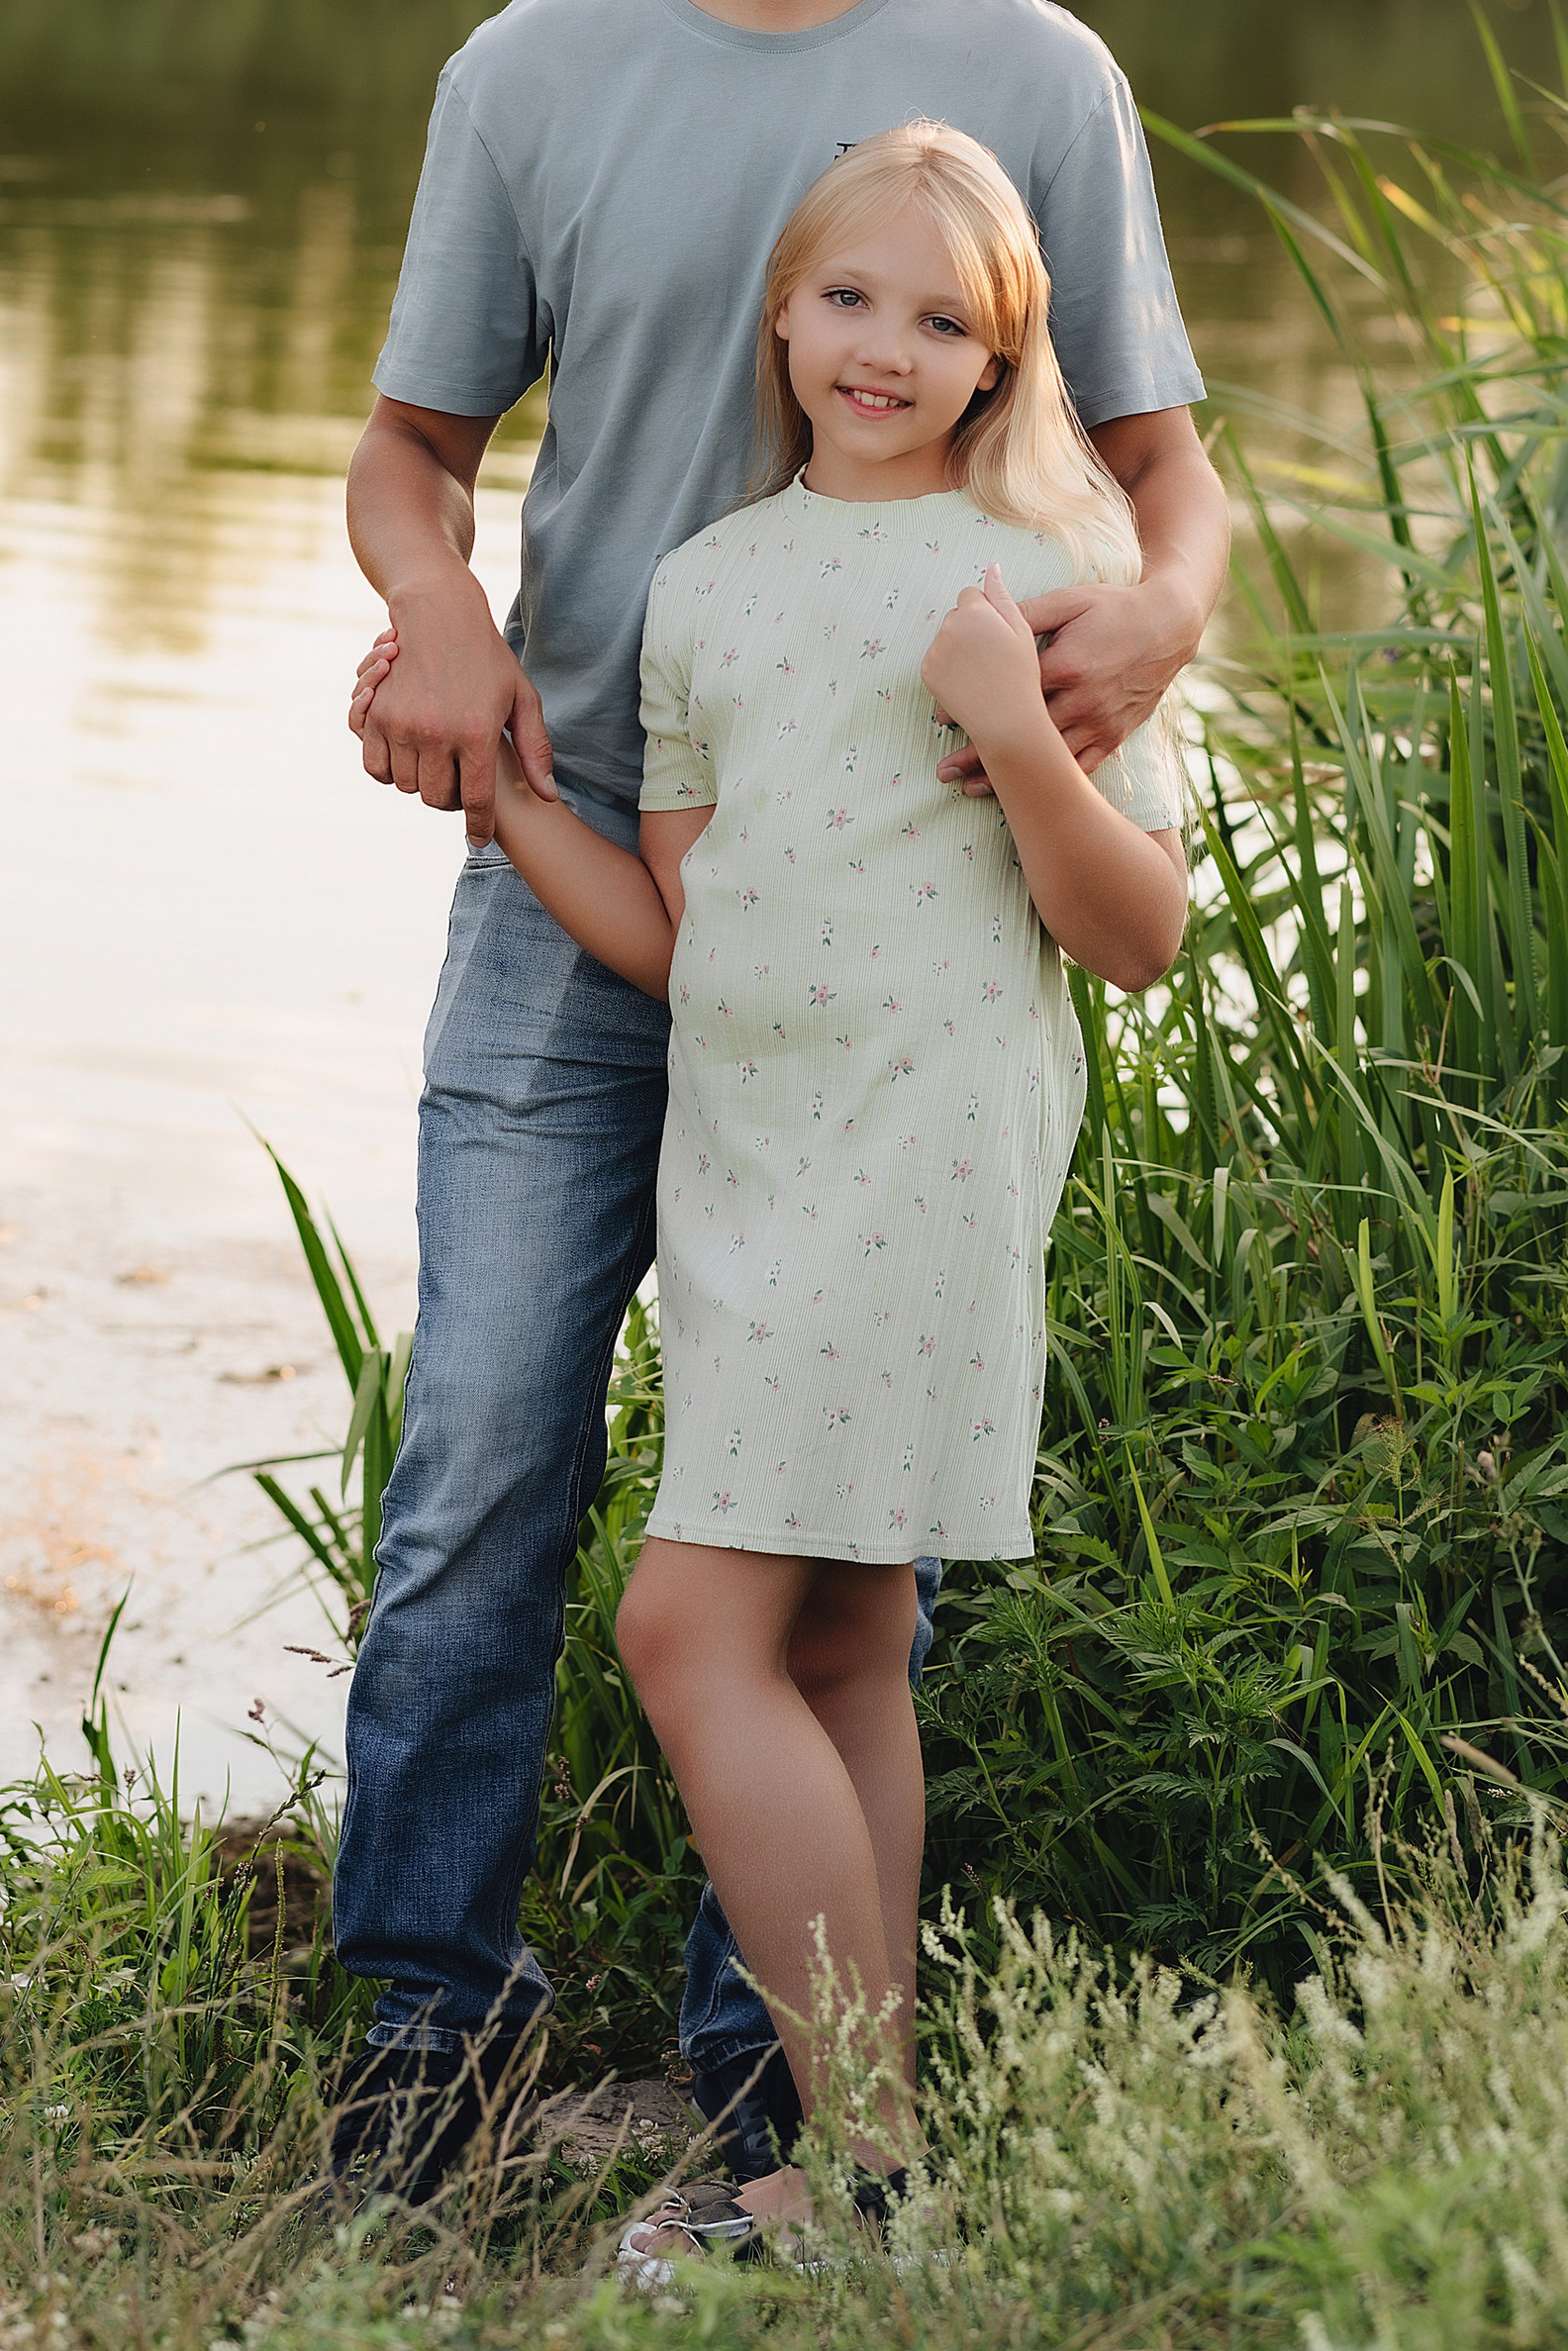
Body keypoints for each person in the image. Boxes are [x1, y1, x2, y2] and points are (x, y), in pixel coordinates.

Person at [334, 0, 1227, 2202]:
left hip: (907, 942)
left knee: (845, 1571)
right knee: (486, 1459)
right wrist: (443, 621)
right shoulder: (532, 68)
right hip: (593, 882)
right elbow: (410, 447)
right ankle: (418, 2052)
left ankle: (779, 2103)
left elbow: (1167, 467)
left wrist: (1149, 627)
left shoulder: (1030, 71)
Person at [372, 122, 1189, 2261]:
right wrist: (499, 795)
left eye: (942, 318)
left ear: (1002, 355)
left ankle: (864, 2159)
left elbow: (1135, 933)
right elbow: (678, 935)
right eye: (849, 298)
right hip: (741, 1142)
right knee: (832, 1642)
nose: (883, 346)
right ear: (781, 313)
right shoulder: (706, 586)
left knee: (678, 1617)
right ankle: (862, 2167)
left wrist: (1017, 729)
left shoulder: (1044, 567)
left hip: (925, 1142)